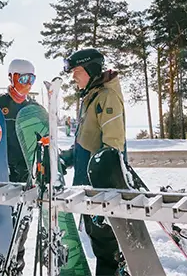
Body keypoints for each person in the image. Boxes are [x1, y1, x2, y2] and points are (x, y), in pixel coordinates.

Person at [59, 48, 126, 275]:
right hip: (88, 186)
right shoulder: (92, 97)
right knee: (99, 244)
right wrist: (67, 157)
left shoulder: (107, 97)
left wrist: (104, 197)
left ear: (91, 69)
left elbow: (111, 149)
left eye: (77, 71)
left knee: (107, 248)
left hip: (102, 189)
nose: (73, 77)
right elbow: (87, 139)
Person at [0, 58, 41, 276]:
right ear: (12, 78)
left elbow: (44, 139)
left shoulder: (33, 109)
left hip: (24, 177)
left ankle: (14, 270)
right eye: (23, 78)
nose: (28, 84)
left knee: (19, 231)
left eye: (31, 79)